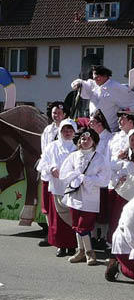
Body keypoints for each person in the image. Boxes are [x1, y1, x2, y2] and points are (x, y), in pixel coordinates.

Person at [60, 127, 110, 265]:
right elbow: (64, 173)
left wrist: (87, 179)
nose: (85, 141)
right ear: (79, 141)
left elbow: (104, 178)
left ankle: (89, 252)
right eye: (83, 138)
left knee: (84, 225)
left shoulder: (100, 158)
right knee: (76, 224)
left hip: (90, 197)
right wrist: (75, 176)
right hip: (75, 195)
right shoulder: (73, 156)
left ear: (94, 141)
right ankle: (80, 251)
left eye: (88, 138)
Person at [36, 119, 78, 257]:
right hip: (57, 188)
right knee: (58, 220)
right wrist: (51, 168)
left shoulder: (78, 147)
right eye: (65, 130)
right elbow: (41, 164)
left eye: (70, 130)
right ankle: (60, 246)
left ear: (74, 132)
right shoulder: (52, 147)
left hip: (73, 189)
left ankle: (72, 246)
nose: (67, 133)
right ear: (60, 131)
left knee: (71, 218)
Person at [71, 65, 134, 132]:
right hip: (94, 129)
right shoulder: (94, 86)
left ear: (105, 75)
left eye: (97, 77)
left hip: (110, 130)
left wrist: (127, 114)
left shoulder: (116, 87)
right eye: (94, 78)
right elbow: (83, 84)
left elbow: (133, 101)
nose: (95, 80)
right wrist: (78, 84)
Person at [38, 101, 68, 248]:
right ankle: (50, 233)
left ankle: (61, 236)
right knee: (47, 206)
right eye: (54, 113)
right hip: (48, 171)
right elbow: (44, 151)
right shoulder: (47, 130)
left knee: (60, 207)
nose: (56, 115)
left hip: (62, 175)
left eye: (59, 113)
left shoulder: (68, 130)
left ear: (65, 115)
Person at [89, 109, 113, 247]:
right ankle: (92, 236)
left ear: (101, 123)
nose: (91, 124)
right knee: (92, 209)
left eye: (93, 122)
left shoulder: (109, 138)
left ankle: (103, 237)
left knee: (103, 210)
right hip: (91, 178)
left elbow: (107, 159)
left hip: (103, 178)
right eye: (90, 122)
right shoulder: (90, 137)